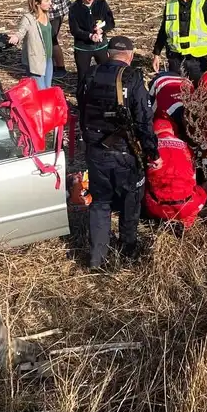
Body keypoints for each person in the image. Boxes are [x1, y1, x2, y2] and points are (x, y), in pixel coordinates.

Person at [79, 36, 160, 269]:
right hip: (124, 154)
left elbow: (82, 110)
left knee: (100, 203)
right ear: (131, 56)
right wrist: (152, 153)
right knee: (129, 202)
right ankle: (128, 252)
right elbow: (144, 121)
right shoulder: (132, 78)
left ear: (108, 53)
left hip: (95, 151)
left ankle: (97, 258)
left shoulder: (91, 75)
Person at [144, 117, 207, 228]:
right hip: (186, 206)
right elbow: (193, 179)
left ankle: (156, 218)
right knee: (202, 189)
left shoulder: (148, 148)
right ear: (172, 132)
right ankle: (187, 221)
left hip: (157, 207)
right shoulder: (186, 147)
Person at [68, 0, 115, 101]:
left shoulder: (102, 4)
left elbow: (110, 22)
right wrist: (89, 36)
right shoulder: (75, 8)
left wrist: (102, 30)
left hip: (101, 45)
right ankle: (82, 101)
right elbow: (75, 30)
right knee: (83, 76)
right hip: (83, 47)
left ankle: (106, 97)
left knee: (105, 72)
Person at [7, 0, 54, 90]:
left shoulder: (47, 15)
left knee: (48, 88)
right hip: (36, 61)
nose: (50, 3)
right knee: (40, 90)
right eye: (46, 1)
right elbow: (21, 32)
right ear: (37, 3)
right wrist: (16, 37)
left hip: (48, 58)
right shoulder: (28, 18)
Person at [148, 71, 192, 138]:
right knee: (150, 112)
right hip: (160, 80)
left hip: (184, 81)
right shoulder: (167, 110)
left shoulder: (193, 104)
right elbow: (150, 110)